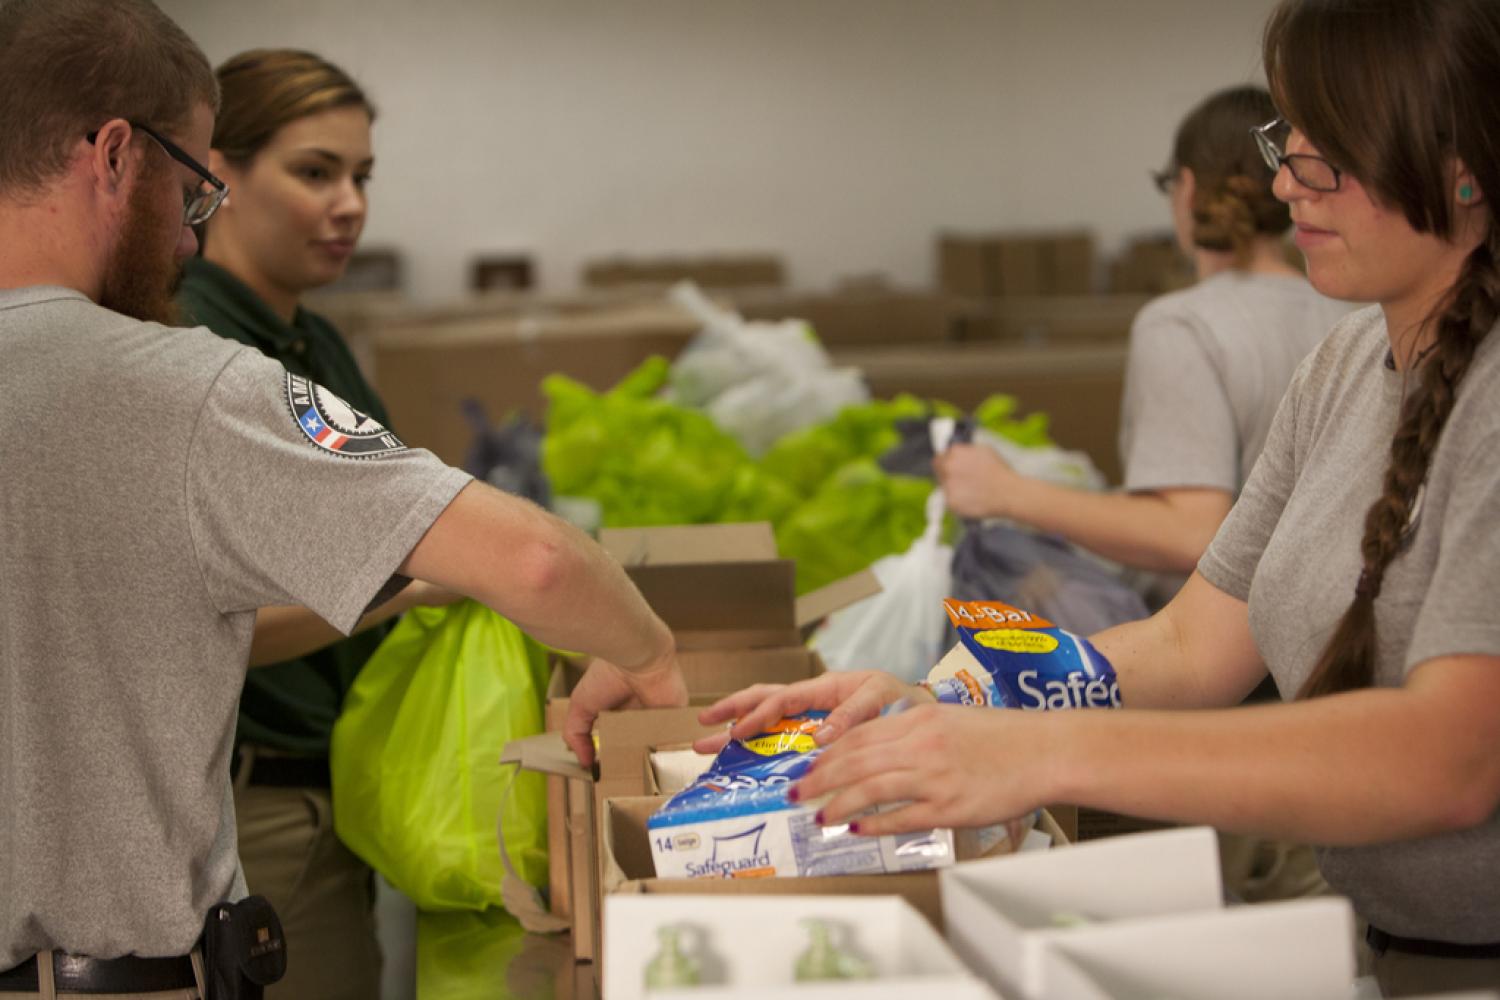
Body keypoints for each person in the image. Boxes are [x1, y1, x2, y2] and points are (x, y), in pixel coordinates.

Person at [700, 0, 1500, 994]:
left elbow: (1448, 756)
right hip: (1386, 953)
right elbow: (1191, 643)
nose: (1289, 179)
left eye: (1330, 149)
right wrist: (953, 697)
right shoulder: (1344, 362)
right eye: (1287, 139)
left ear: (1465, 164)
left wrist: (1043, 751)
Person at [0, 2, 682, 997]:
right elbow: (536, 560)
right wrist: (651, 656)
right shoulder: (191, 386)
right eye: (193, 189)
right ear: (113, 156)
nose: (192, 238)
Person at [172, 49, 436, 1000]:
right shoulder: (194, 353)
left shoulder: (309, 340)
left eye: (361, 176)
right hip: (255, 808)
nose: (350, 204)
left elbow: (395, 500)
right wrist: (412, 585)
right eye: (315, 171)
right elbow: (202, 620)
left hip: (332, 789)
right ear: (220, 175)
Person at [936, 86, 1349, 590]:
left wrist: (1006, 492)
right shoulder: (1351, 311)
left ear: (1189, 189)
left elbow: (1193, 534)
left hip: (1230, 650)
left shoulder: (1182, 325)